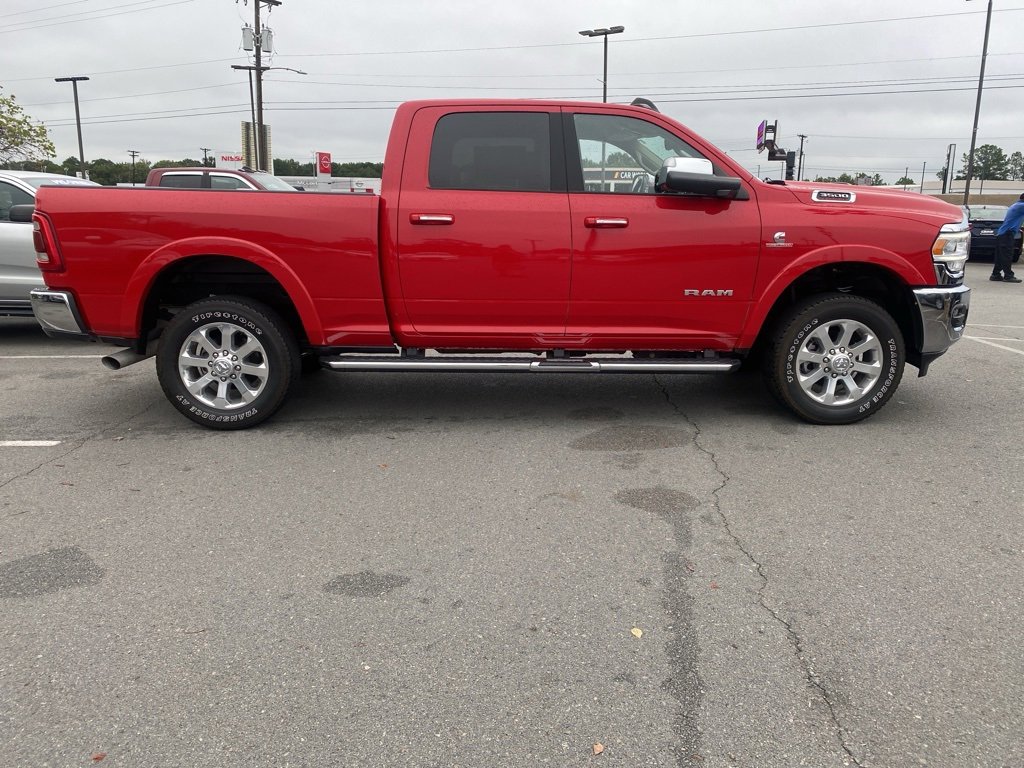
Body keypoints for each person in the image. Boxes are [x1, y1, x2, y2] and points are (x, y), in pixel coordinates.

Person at [992, 193, 1024, 282]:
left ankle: (995, 274)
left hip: (1003, 233)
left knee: (1001, 255)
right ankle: (1008, 276)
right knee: (1007, 255)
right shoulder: (1021, 206)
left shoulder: (1016, 205)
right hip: (1007, 234)